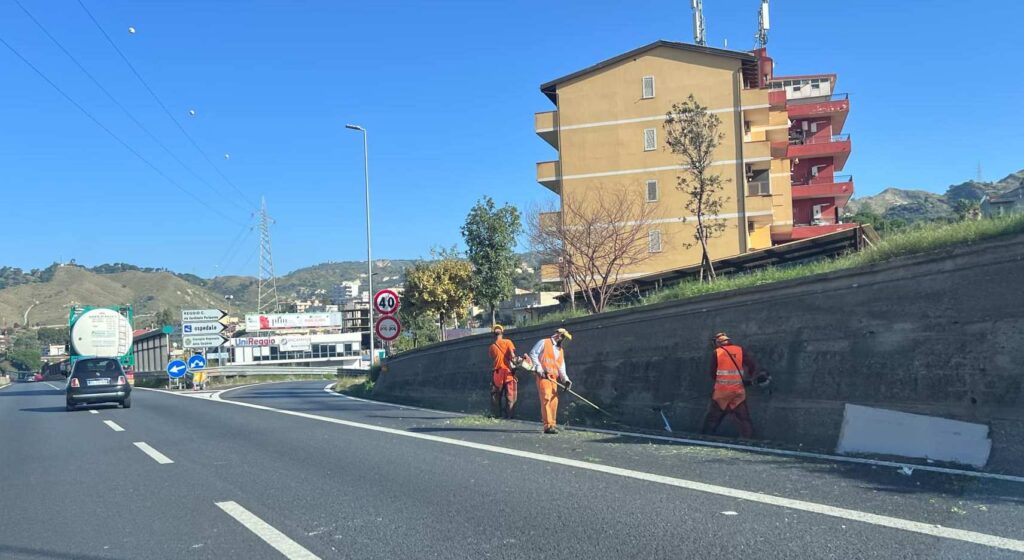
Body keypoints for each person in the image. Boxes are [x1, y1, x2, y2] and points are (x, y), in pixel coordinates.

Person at [701, 332, 759, 439]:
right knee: (743, 417)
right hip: (738, 391)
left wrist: (719, 383)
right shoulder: (739, 350)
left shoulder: (717, 353)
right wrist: (750, 378)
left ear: (718, 343)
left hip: (722, 392)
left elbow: (713, 373)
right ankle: (748, 438)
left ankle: (704, 437)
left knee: (714, 417)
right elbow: (752, 365)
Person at [529, 328, 573, 434]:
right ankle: (547, 426)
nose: (565, 341)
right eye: (564, 338)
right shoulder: (544, 342)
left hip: (554, 379)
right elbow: (533, 354)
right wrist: (539, 369)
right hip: (543, 376)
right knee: (546, 398)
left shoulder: (560, 351)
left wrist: (566, 380)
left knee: (554, 402)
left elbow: (561, 367)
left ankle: (552, 424)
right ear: (559, 336)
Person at [488, 325, 518, 418]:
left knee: (496, 396)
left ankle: (497, 414)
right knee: (510, 395)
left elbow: (493, 358)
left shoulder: (492, 347)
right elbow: (513, 356)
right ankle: (510, 415)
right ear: (502, 333)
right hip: (508, 372)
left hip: (497, 373)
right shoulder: (508, 342)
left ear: (493, 334)